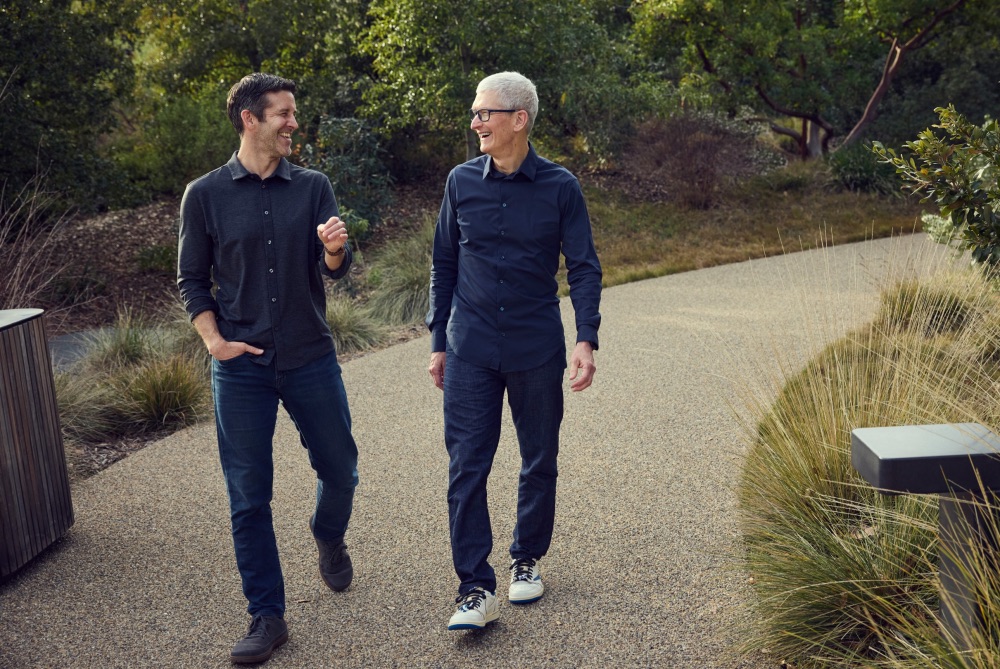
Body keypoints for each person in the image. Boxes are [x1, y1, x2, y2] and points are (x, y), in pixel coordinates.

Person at [177, 72, 360, 664]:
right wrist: (214, 341)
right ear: (249, 119)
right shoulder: (203, 195)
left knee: (342, 470)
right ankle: (267, 615)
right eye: (282, 113)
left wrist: (334, 248)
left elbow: (334, 267)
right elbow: (191, 280)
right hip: (241, 368)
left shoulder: (313, 187)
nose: (293, 123)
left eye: (293, 112)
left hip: (310, 356)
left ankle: (328, 536)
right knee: (248, 497)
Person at [426, 71, 603, 631]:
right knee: (466, 467)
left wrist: (585, 338)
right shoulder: (460, 182)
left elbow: (583, 267)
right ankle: (473, 589)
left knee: (538, 458)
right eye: (474, 113)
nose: (475, 122)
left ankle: (526, 559)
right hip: (470, 347)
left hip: (535, 347)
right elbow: (444, 265)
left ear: (518, 119)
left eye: (485, 113)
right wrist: (438, 344)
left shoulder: (560, 187)